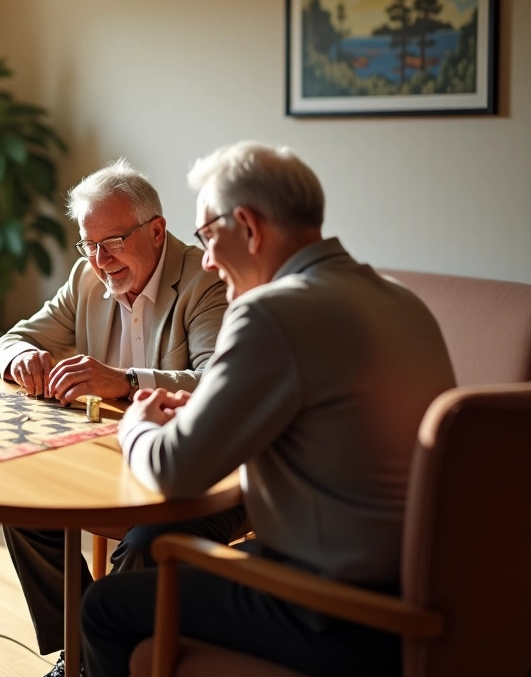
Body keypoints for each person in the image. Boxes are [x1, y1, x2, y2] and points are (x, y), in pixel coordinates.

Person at [81, 142, 456, 676]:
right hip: (421, 598)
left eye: (209, 236)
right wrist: (214, 408)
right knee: (155, 550)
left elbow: (172, 472)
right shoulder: (403, 301)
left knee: (106, 607)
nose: (206, 259)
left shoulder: (271, 311)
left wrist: (138, 422)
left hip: (330, 611)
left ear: (249, 228)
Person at [0, 158, 239, 676]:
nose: (100, 260)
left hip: (191, 465)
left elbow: (220, 381)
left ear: (156, 231)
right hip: (110, 456)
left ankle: (101, 659)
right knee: (21, 504)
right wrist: (20, 358)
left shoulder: (203, 280)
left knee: (143, 544)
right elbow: (10, 340)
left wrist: (126, 380)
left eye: (113, 242)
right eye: (89, 244)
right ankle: (80, 652)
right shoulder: (85, 277)